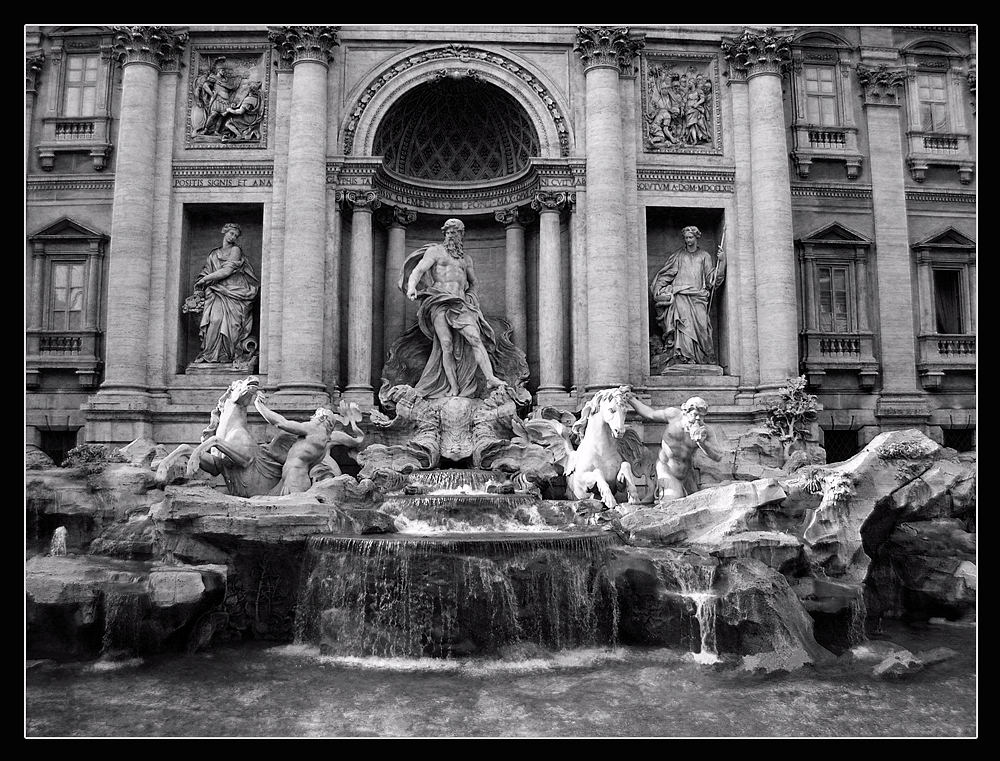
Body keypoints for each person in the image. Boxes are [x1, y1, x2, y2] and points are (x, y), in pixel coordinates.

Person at [400, 218, 507, 398]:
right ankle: (453, 387)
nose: (451, 235)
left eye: (455, 232)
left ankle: (490, 378)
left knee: (475, 338)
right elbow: (418, 270)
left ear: (461, 235)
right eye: (448, 232)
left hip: (460, 304)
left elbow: (473, 283)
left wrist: (471, 297)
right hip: (439, 301)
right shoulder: (435, 251)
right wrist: (411, 287)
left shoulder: (466, 259)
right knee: (446, 345)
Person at [625, 393, 724, 503]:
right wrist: (631, 400)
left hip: (687, 474)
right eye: (695, 414)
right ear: (686, 412)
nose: (698, 418)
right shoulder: (674, 415)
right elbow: (650, 414)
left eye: (701, 416)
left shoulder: (705, 430)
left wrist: (703, 443)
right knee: (671, 502)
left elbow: (718, 456)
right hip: (666, 469)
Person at [253, 399, 363, 495]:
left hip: (295, 479)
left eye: (315, 415)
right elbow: (357, 440)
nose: (312, 418)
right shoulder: (327, 438)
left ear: (322, 418)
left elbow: (281, 422)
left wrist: (260, 406)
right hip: (295, 479)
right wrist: (352, 421)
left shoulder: (313, 429)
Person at [649, 225, 725, 366]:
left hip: (698, 297)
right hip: (681, 296)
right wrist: (658, 288)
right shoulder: (678, 255)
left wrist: (722, 262)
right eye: (686, 238)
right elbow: (667, 274)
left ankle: (702, 359)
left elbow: (711, 280)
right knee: (684, 327)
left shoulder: (704, 256)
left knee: (703, 327)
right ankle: (685, 357)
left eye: (690, 237)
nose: (688, 240)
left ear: (696, 237)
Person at [192, 223, 259, 365]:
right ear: (224, 232)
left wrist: (205, 279)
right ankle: (209, 354)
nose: (233, 237)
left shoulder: (235, 250)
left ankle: (227, 356)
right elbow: (206, 271)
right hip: (216, 292)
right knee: (215, 321)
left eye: (236, 235)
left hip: (234, 291)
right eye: (231, 233)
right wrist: (202, 281)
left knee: (232, 326)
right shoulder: (213, 254)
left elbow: (227, 271)